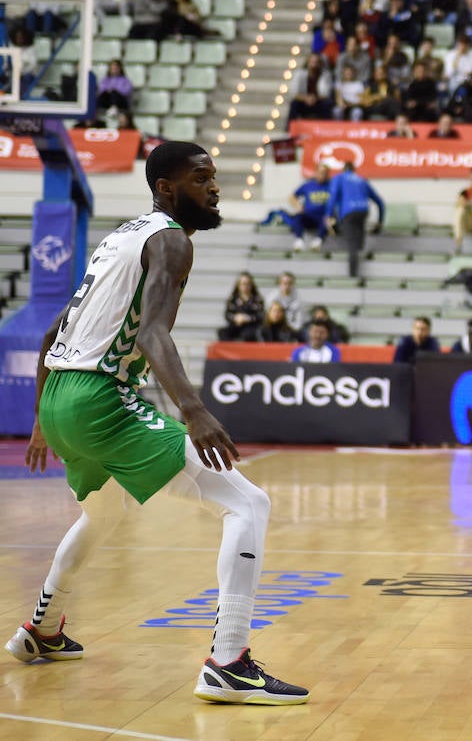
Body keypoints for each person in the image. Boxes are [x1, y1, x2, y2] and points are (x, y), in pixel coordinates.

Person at [8, 142, 308, 703]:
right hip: (100, 398)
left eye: (214, 176)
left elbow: (53, 334)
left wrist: (41, 422)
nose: (213, 187)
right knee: (247, 505)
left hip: (62, 396)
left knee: (105, 512)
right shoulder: (169, 240)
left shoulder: (121, 236)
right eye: (202, 178)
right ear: (167, 187)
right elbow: (151, 334)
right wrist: (194, 412)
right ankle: (228, 661)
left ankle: (42, 631)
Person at [325, 161, 385, 278]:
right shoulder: (362, 180)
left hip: (348, 212)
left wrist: (328, 215)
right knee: (358, 244)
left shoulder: (339, 178)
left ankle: (353, 276)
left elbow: (332, 198)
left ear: (343, 169)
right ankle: (359, 260)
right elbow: (380, 203)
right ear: (354, 170)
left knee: (351, 245)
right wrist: (380, 221)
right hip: (363, 211)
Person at [217, 272, 264, 341]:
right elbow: (227, 314)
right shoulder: (232, 299)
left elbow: (260, 316)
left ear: (252, 285)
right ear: (238, 285)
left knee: (248, 334)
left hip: (251, 327)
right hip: (236, 325)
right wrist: (235, 318)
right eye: (243, 284)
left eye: (248, 284)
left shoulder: (257, 299)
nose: (246, 286)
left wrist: (248, 318)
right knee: (222, 332)